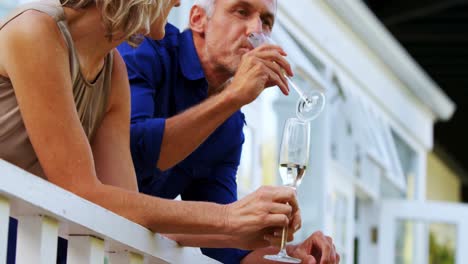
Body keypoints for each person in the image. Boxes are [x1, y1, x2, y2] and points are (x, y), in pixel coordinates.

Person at [0, 0, 302, 261]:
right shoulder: (36, 31)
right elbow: (81, 191)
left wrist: (248, 232)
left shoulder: (112, 69)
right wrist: (226, 219)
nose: (177, 5)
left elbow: (126, 209)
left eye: (265, 20)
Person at [118, 0, 340, 263]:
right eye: (241, 12)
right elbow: (134, 153)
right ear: (198, 19)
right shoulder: (145, 48)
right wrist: (233, 96)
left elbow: (226, 248)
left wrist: (292, 255)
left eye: (266, 22)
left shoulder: (230, 124)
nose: (256, 30)